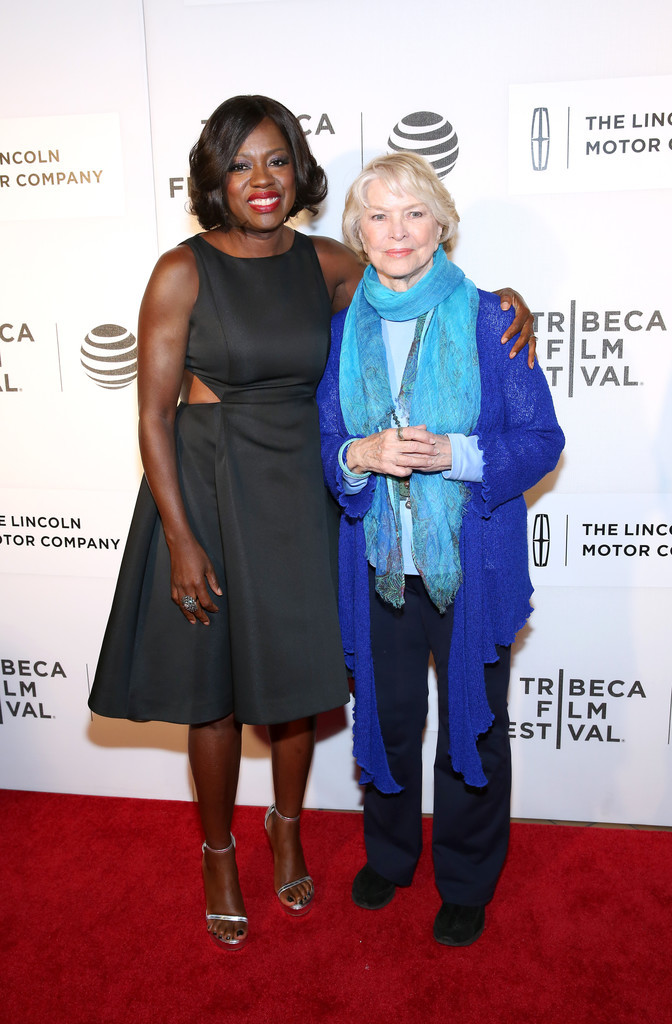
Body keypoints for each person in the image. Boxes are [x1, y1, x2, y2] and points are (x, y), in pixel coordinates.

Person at [88, 95, 536, 952]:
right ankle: (220, 853)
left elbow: (413, 286)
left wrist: (501, 301)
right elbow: (151, 416)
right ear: (215, 177)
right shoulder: (181, 270)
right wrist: (180, 540)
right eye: (241, 163)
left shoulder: (329, 263)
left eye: (277, 160)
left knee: (298, 688)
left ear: (300, 171)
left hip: (301, 496)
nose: (261, 179)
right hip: (211, 491)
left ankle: (287, 829)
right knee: (217, 694)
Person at [318, 152, 564, 947]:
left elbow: (542, 439)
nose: (397, 231)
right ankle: (390, 856)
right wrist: (360, 455)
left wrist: (457, 456)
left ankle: (466, 878)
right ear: (358, 232)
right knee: (389, 720)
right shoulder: (341, 332)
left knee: (474, 726)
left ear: (442, 225)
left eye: (414, 213)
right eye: (379, 215)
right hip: (380, 567)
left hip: (472, 568)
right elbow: (327, 444)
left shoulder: (493, 319)